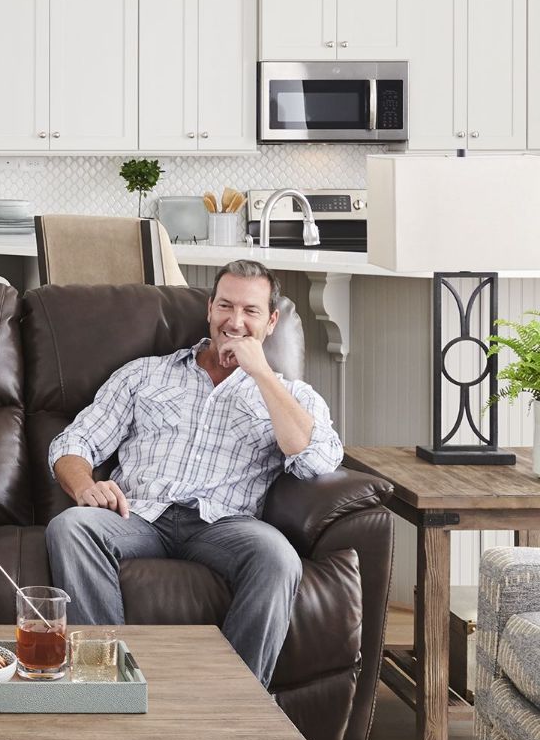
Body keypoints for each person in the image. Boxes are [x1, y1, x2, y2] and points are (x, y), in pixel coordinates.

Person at [45, 259, 343, 688]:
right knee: (71, 527)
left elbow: (316, 460)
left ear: (272, 321)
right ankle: (105, 688)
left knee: (278, 558)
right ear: (209, 309)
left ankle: (234, 707)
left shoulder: (292, 395)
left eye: (251, 311)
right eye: (225, 306)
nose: (235, 321)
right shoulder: (145, 374)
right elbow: (73, 444)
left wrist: (260, 373)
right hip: (138, 515)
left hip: (226, 525)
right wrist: (85, 487)